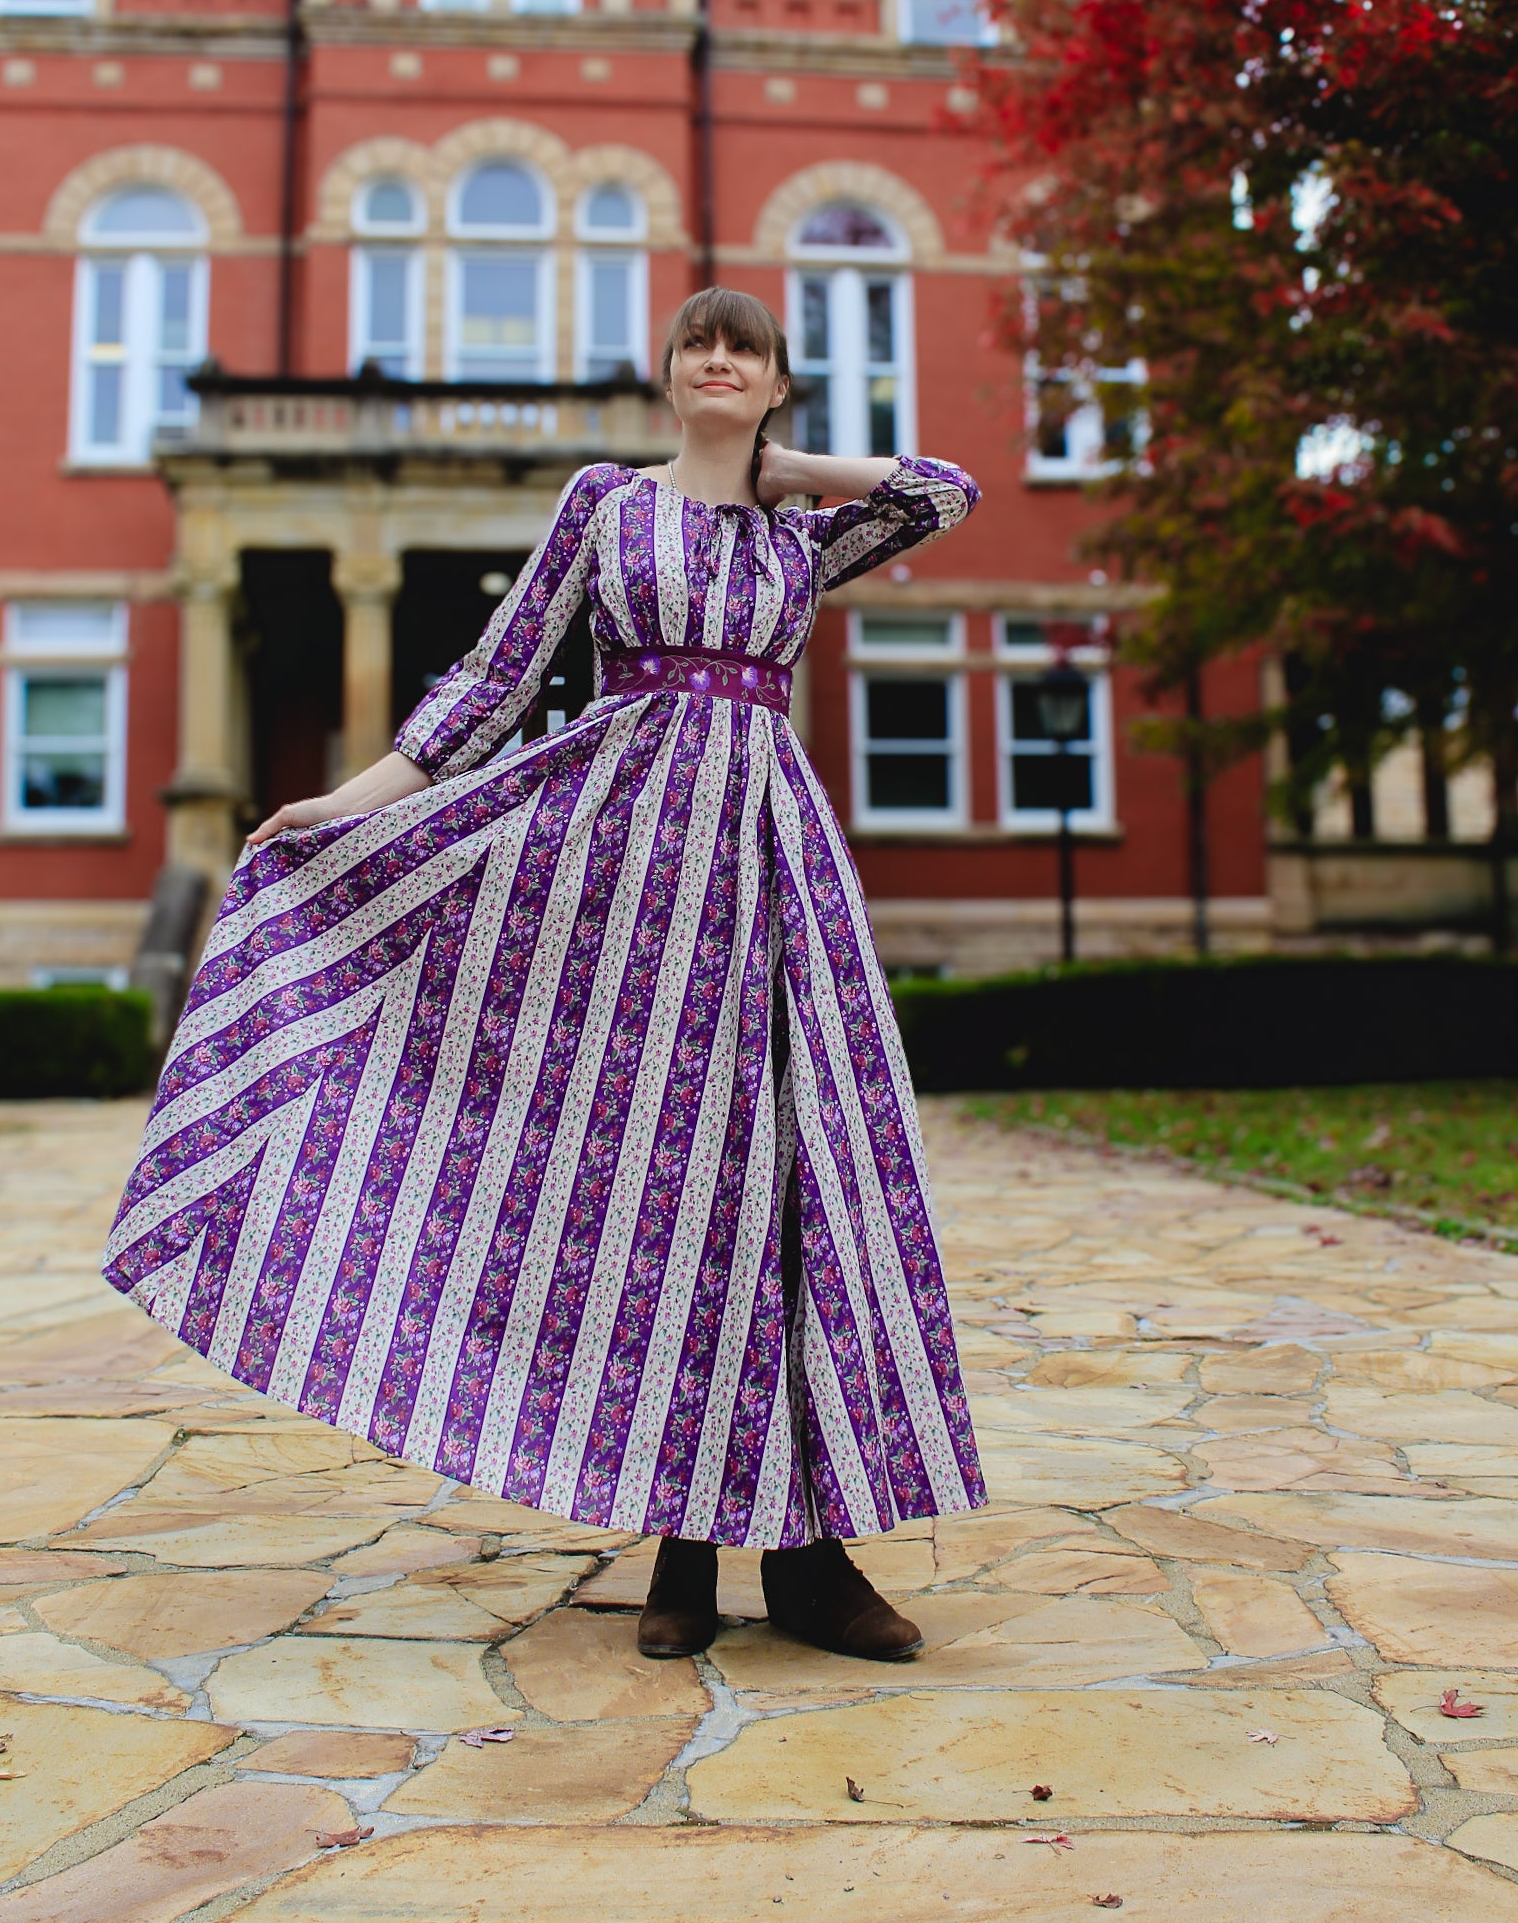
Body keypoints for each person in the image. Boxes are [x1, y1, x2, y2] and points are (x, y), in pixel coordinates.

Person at [103, 287, 985, 1664]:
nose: (715, 361)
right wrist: (356, 798)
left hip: (766, 873)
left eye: (742, 351)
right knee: (656, 1191)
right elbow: (496, 675)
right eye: (697, 344)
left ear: (770, 384)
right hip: (620, 874)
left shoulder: (799, 538)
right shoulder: (603, 505)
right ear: (667, 374)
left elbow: (942, 492)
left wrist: (789, 468)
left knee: (785, 1179)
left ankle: (809, 1558)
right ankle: (681, 1550)